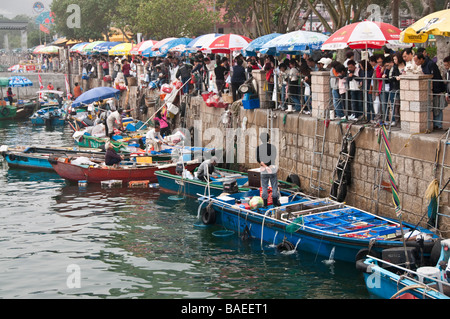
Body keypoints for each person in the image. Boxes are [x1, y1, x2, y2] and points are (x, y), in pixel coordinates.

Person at [415, 53, 447, 130]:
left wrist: (438, 90)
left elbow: (435, 77)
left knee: (437, 107)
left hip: (436, 89)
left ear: (421, 59)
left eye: (416, 61)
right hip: (430, 90)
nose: (416, 63)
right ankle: (435, 124)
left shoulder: (431, 64)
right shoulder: (423, 65)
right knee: (433, 107)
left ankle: (438, 124)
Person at [256, 132, 280, 207]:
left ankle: (265, 203)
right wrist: (269, 166)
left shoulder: (258, 148)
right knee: (274, 185)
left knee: (264, 186)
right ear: (268, 139)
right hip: (272, 168)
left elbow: (258, 159)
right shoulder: (273, 147)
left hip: (263, 169)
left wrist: (265, 166)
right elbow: (273, 158)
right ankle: (275, 202)